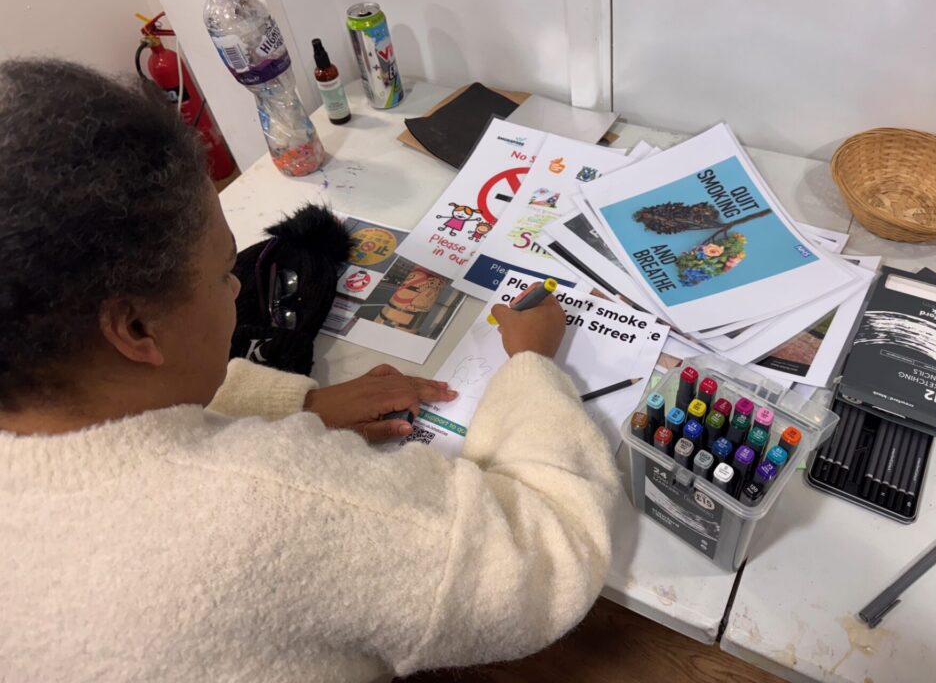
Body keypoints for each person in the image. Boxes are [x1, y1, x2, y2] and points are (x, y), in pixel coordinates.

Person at [0, 60, 621, 683]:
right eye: (222, 274)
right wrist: (533, 366)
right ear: (136, 330)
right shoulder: (271, 504)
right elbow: (547, 555)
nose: (239, 283)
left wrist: (287, 404)